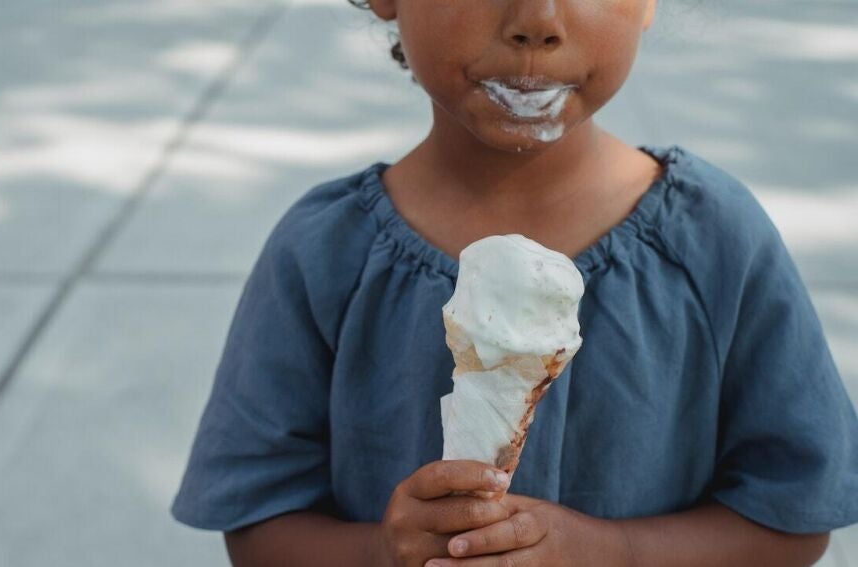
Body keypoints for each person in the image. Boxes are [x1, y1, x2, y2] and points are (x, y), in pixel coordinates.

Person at [171, 0, 858, 565]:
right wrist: (380, 552)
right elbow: (257, 526)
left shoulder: (715, 240)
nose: (537, 19)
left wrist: (615, 554)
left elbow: (793, 522)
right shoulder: (323, 254)